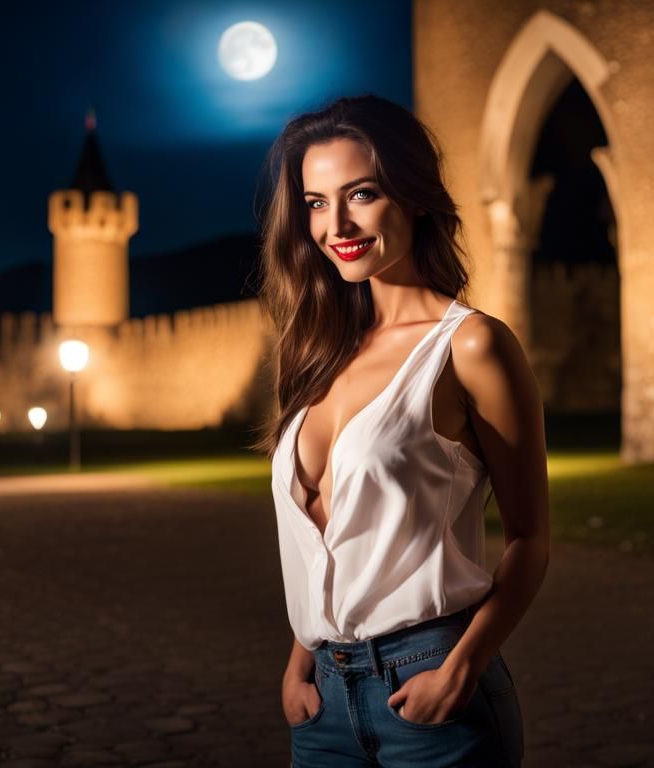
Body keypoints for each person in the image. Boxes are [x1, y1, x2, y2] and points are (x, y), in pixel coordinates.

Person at [253, 94, 550, 768]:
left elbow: (531, 537)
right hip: (322, 702)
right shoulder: (314, 352)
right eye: (316, 201)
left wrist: (462, 669)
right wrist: (301, 660)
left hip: (432, 688)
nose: (338, 224)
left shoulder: (471, 347)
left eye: (361, 194)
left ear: (413, 196)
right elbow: (326, 541)